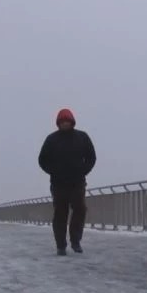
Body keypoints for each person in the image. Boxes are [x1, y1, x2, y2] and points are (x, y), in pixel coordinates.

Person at [38, 108, 96, 255]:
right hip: (58, 184)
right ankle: (61, 245)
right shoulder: (51, 139)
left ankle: (75, 241)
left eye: (67, 121)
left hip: (77, 182)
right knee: (60, 213)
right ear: (58, 123)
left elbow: (91, 157)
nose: (65, 124)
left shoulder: (82, 137)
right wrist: (53, 170)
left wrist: (84, 170)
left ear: (72, 122)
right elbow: (42, 160)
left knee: (80, 209)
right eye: (62, 121)